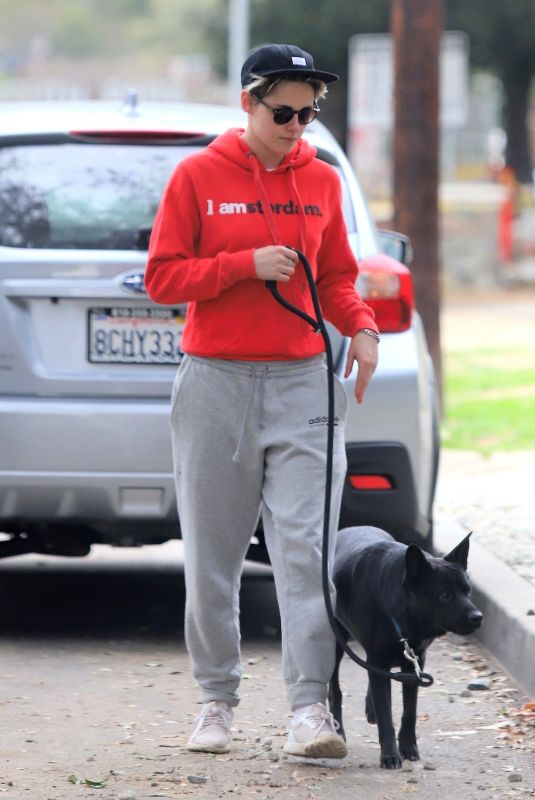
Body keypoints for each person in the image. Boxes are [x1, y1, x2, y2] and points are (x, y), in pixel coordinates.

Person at [145, 43, 379, 759]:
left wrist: (362, 328)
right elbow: (162, 278)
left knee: (303, 553)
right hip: (214, 381)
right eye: (284, 111)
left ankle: (311, 711)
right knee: (212, 556)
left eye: (309, 112)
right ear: (247, 102)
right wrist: (240, 267)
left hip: (304, 381)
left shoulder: (323, 180)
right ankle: (215, 701)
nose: (297, 125)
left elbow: (338, 276)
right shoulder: (197, 175)